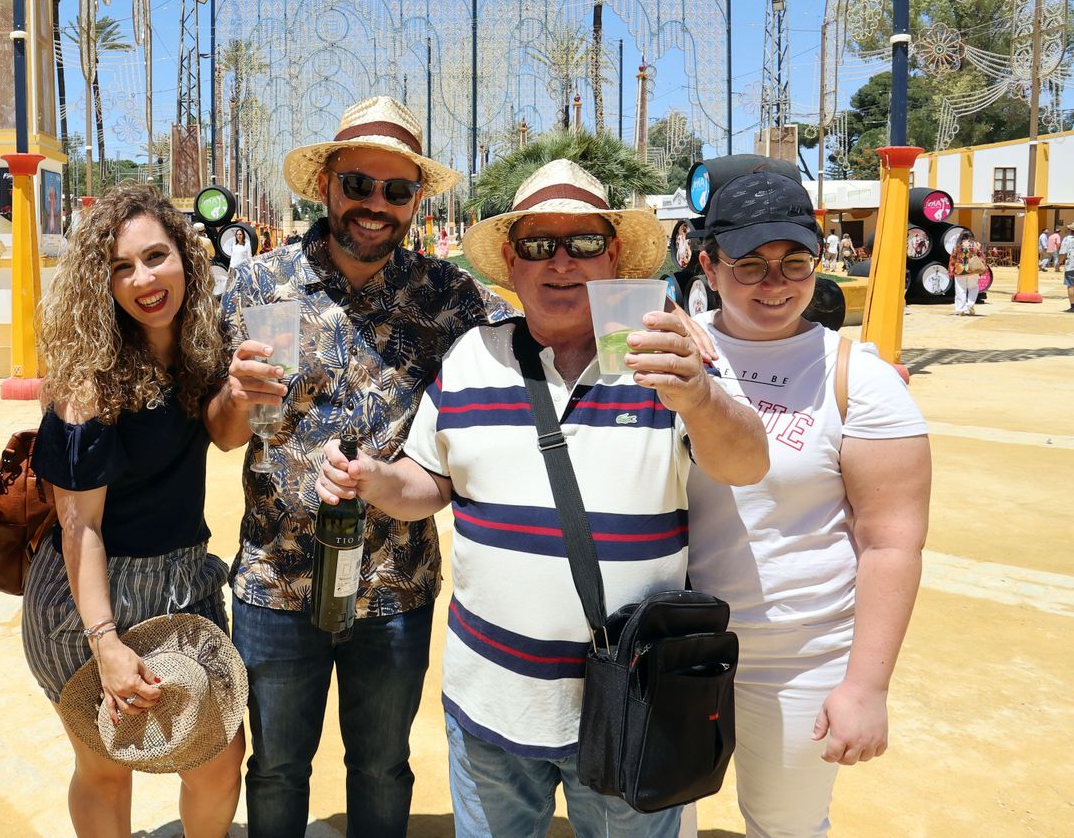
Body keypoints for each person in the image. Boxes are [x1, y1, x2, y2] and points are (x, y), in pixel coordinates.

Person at [315, 159, 769, 838]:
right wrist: (376, 481)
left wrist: (700, 395)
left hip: (634, 704)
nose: (561, 261)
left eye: (584, 242)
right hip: (491, 705)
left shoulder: (666, 354)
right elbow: (429, 484)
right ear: (511, 261)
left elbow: (747, 462)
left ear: (613, 257)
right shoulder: (471, 358)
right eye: (538, 244)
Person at [205, 96, 513, 838]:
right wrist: (236, 398)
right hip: (276, 582)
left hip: (394, 586)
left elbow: (550, 328)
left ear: (415, 201)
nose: (376, 204)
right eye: (358, 185)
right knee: (276, 768)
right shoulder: (257, 286)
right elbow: (221, 433)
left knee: (382, 768)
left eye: (396, 189)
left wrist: (665, 323)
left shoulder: (450, 297)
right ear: (326, 186)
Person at [685, 168, 930, 838]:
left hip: (799, 655)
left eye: (795, 262)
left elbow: (891, 541)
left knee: (786, 825)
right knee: (655, 820)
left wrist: (867, 687)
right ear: (708, 265)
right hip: (674, 644)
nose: (775, 283)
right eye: (750, 264)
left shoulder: (860, 379)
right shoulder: (667, 352)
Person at [22, 184, 244, 836]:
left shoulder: (202, 346)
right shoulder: (90, 380)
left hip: (184, 581)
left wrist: (245, 392)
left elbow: (226, 435)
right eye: (121, 267)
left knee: (218, 757)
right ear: (102, 283)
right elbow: (80, 526)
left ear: (186, 255)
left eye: (155, 256)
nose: (144, 280)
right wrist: (107, 643)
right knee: (105, 767)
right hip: (91, 599)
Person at [948, 228, 985, 315]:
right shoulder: (976, 245)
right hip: (973, 270)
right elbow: (982, 257)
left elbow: (952, 258)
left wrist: (951, 270)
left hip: (959, 270)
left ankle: (960, 309)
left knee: (960, 289)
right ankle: (970, 304)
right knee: (973, 287)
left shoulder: (957, 246)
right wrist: (983, 268)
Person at [1062, 228, 1074, 312]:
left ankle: (1073, 307)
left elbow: (1063, 253)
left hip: (1071, 265)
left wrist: (1058, 262)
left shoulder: (1067, 239)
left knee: (1071, 285)